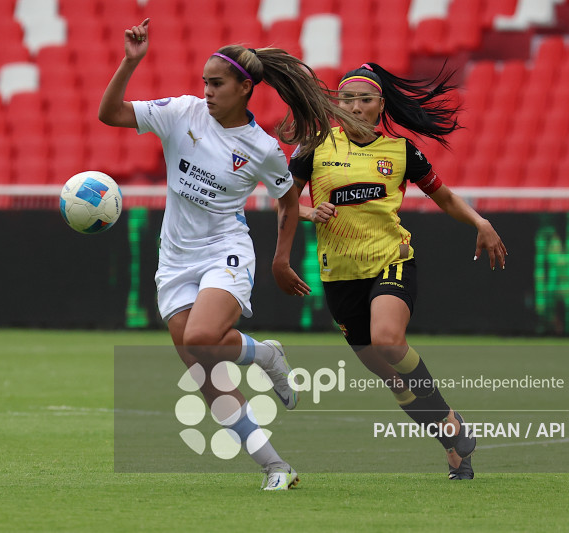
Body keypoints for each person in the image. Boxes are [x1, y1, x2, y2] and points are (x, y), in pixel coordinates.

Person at [98, 19, 372, 490]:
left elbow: (288, 200)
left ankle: (263, 355)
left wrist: (281, 260)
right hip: (174, 260)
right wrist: (130, 62)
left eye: (217, 83)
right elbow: (111, 114)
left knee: (203, 337)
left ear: (245, 88)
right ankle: (275, 465)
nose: (206, 91)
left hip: (225, 252)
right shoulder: (181, 112)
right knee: (203, 370)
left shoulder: (262, 148)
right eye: (205, 82)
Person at [289, 62, 508, 480]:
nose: (355, 106)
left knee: (388, 340)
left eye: (364, 99)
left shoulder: (401, 151)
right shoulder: (314, 147)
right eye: (347, 99)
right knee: (395, 381)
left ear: (380, 106)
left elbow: (444, 197)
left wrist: (480, 222)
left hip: (392, 259)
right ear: (336, 105)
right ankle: (453, 446)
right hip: (339, 276)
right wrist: (308, 212)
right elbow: (283, 202)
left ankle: (448, 418)